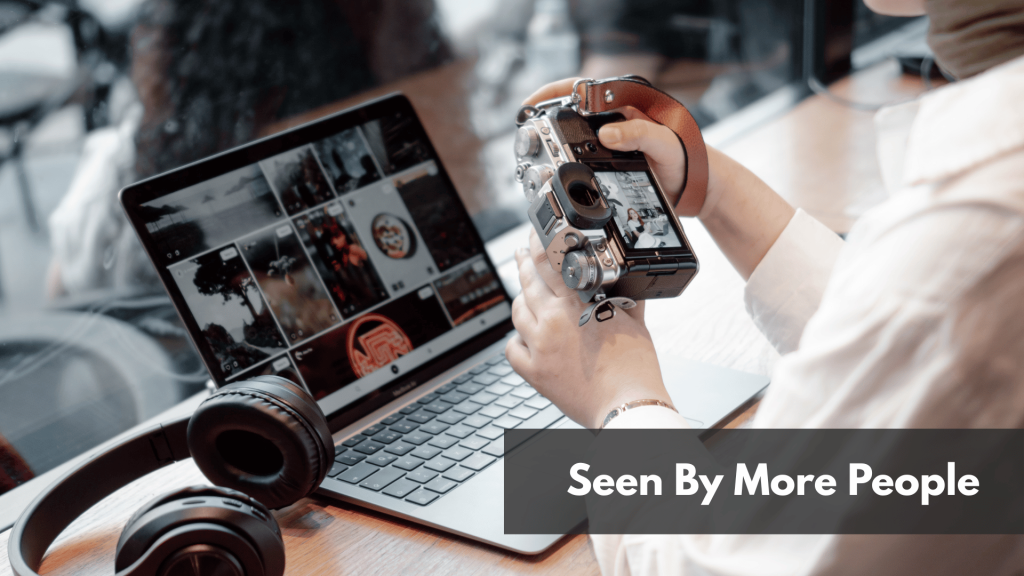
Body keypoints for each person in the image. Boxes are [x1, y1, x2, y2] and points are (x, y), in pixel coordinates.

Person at [505, 0, 1024, 574]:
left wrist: (618, 395)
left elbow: (713, 561)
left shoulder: (976, 235)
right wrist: (711, 186)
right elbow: (911, 341)